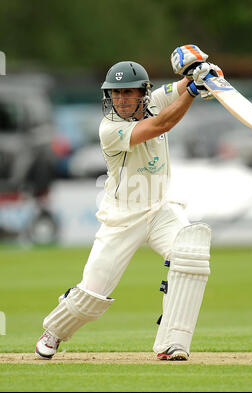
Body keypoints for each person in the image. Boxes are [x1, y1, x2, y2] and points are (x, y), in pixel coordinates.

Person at [35, 45, 223, 361]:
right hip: (122, 217)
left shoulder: (155, 99)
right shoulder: (109, 129)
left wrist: (202, 73)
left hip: (161, 208)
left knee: (191, 253)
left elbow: (179, 88)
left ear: (142, 94)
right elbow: (161, 125)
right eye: (116, 93)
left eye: (128, 93)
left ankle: (172, 342)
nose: (121, 99)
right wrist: (193, 90)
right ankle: (53, 331)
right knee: (91, 296)